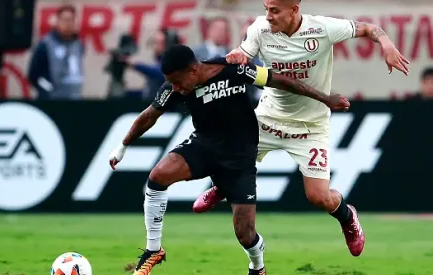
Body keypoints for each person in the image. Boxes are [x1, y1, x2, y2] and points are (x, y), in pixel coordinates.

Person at [192, 0, 410, 258]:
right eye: (266, 9)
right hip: (269, 117)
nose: (268, 16)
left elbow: (369, 29)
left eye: (275, 11)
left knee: (319, 197)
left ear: (294, 10)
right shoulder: (260, 29)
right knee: (231, 154)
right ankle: (223, 186)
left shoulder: (323, 28)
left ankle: (347, 216)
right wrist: (239, 55)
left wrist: (386, 43)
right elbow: (244, 53)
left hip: (311, 126)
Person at [108, 44, 350, 275]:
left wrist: (324, 98)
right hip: (204, 146)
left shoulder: (233, 69)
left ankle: (257, 266)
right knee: (158, 176)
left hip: (240, 159)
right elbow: (149, 116)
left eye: (178, 82)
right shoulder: (174, 87)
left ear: (193, 70)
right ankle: (154, 249)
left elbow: (279, 80)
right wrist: (122, 146)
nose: (176, 88)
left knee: (245, 234)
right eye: (171, 83)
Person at [27, 5, 85, 100]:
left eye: (71, 20)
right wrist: (48, 88)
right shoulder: (45, 44)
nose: (68, 24)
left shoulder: (79, 44)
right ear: (57, 21)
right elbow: (33, 76)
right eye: (65, 20)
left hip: (75, 98)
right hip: (52, 100)